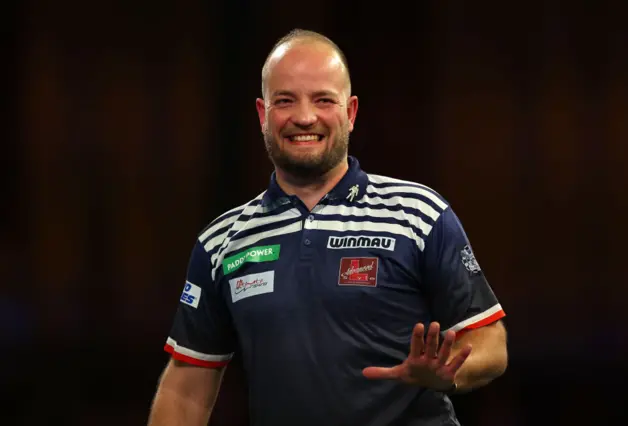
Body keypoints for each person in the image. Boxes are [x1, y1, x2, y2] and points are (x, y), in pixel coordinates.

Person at [148, 28, 508, 426]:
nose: (304, 117)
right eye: (285, 101)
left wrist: (447, 373)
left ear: (350, 113)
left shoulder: (418, 212)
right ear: (262, 114)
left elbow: (491, 342)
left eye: (323, 100)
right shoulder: (221, 242)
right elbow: (185, 388)